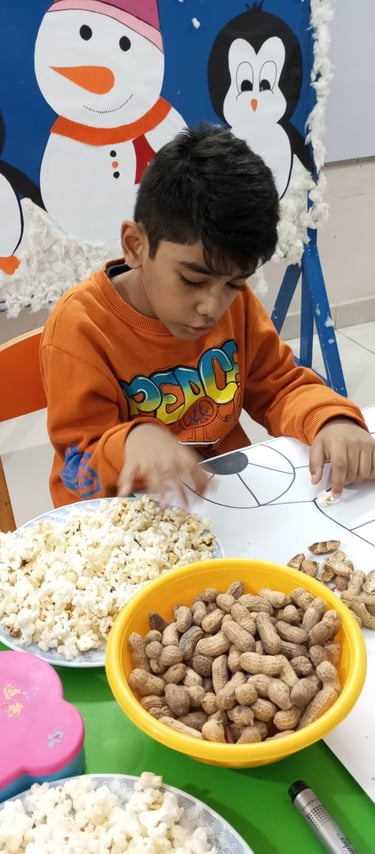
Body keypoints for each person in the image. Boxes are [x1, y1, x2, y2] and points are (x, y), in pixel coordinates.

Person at [40, 124, 375, 508]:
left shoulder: (236, 304)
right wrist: (128, 444)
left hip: (223, 500)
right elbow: (76, 469)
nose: (211, 307)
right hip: (121, 520)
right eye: (192, 280)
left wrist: (332, 420)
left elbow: (280, 386)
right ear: (135, 246)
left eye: (234, 283)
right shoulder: (81, 327)